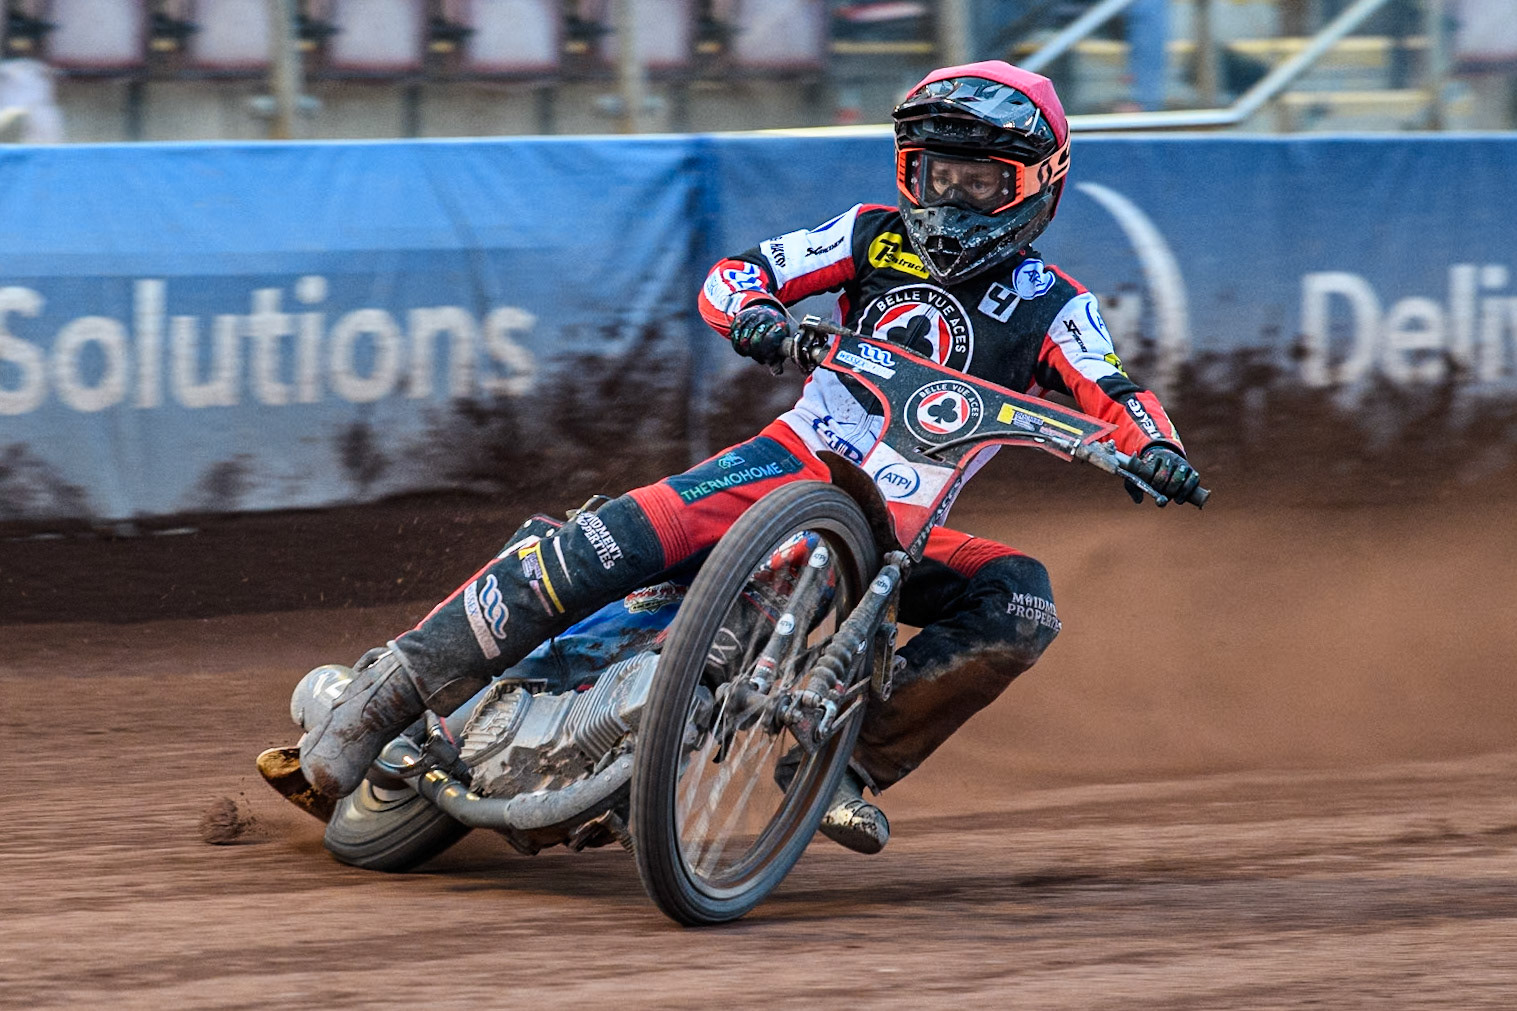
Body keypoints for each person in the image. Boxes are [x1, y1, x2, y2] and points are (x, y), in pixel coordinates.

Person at [297, 61, 1202, 855]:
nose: (949, 199)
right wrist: (759, 318)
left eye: (978, 181)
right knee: (619, 537)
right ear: (906, 170)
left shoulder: (1055, 304)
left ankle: (847, 765)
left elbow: (1114, 395)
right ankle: (392, 687)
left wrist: (1153, 449)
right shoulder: (868, 233)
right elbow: (738, 273)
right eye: (933, 174)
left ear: (1037, 185)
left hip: (900, 532)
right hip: (784, 463)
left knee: (1023, 598)